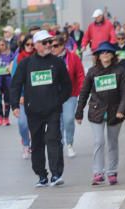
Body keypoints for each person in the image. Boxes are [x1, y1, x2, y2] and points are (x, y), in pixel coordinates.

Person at [11, 30, 72, 187]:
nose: (48, 45)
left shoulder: (57, 62)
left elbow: (67, 85)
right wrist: (14, 105)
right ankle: (41, 175)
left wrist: (58, 101)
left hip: (52, 110)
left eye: (50, 42)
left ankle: (56, 174)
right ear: (36, 45)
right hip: (34, 111)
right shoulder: (26, 64)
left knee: (53, 140)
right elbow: (16, 84)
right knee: (37, 143)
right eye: (45, 43)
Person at [76, 42, 125, 186]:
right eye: (102, 52)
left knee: (113, 143)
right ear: (98, 56)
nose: (105, 54)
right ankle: (98, 172)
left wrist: (121, 110)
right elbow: (84, 92)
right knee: (99, 141)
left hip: (115, 112)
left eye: (108, 52)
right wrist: (79, 112)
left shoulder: (120, 71)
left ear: (113, 55)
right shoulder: (92, 72)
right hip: (96, 111)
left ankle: (112, 172)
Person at [51, 36, 84, 159]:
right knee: (57, 122)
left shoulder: (73, 58)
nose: (52, 48)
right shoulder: (49, 60)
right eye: (51, 46)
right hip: (53, 96)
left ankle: (69, 143)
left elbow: (80, 74)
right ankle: (60, 145)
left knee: (69, 119)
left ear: (62, 46)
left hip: (70, 94)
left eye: (55, 46)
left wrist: (82, 90)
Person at [13, 37, 35, 158]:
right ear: (23, 45)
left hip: (37, 96)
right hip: (23, 97)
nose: (30, 46)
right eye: (28, 44)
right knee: (23, 123)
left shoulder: (39, 57)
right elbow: (15, 80)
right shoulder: (18, 58)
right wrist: (19, 96)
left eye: (33, 44)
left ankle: (34, 145)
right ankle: (25, 144)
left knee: (35, 124)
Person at [0, 38, 15, 125]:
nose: (1, 47)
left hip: (7, 79)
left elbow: (14, 64)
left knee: (7, 99)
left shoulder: (10, 55)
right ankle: (0, 116)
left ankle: (6, 117)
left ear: (6, 45)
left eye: (2, 45)